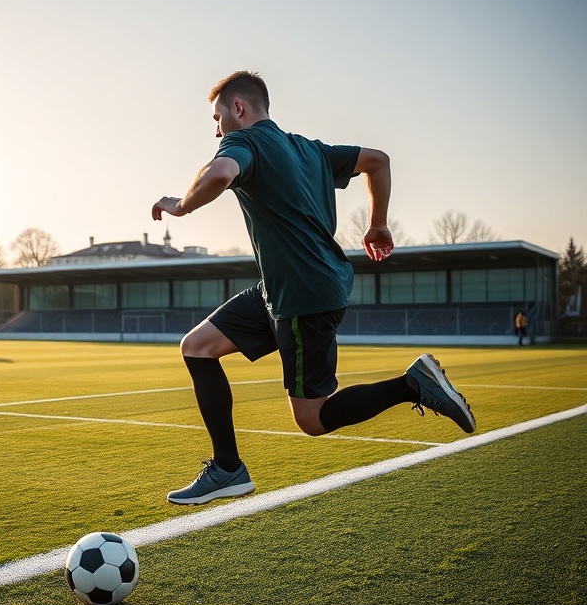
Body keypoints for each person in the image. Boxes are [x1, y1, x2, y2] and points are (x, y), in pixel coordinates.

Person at [151, 70, 475, 506]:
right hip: (282, 289)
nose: (216, 128)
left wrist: (179, 206)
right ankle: (228, 468)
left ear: (239, 109)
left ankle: (412, 385)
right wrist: (378, 224)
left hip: (303, 296)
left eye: (218, 116)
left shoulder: (242, 143)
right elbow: (378, 160)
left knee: (313, 418)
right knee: (197, 346)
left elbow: (220, 173)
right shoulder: (310, 150)